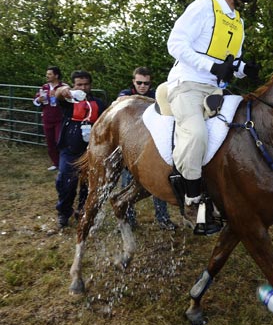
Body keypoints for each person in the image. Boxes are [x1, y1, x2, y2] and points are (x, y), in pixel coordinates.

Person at [165, 0, 261, 235]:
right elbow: (175, 44)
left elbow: (230, 64)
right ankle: (192, 198)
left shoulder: (238, 22)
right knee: (196, 134)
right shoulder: (204, 5)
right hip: (188, 85)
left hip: (215, 89)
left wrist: (244, 69)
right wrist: (212, 66)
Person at [118, 67, 176, 231]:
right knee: (127, 186)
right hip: (131, 148)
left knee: (159, 184)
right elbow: (120, 103)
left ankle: (163, 219)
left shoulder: (156, 97)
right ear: (133, 82)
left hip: (151, 147)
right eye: (139, 83)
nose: (143, 86)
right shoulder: (125, 95)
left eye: (147, 83)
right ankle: (128, 220)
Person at [53, 70, 107, 229]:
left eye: (86, 84)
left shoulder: (99, 103)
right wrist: (61, 91)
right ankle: (63, 212)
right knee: (67, 182)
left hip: (91, 150)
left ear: (90, 85)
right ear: (74, 85)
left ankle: (83, 211)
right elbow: (58, 95)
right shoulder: (68, 101)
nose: (83, 88)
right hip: (69, 149)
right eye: (79, 85)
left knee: (88, 185)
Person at [33, 66, 66, 171]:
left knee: (59, 141)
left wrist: (58, 97)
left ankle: (64, 163)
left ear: (56, 75)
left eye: (50, 74)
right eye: (47, 74)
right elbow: (35, 101)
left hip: (60, 118)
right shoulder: (44, 87)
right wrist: (39, 99)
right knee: (50, 142)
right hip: (47, 117)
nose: (47, 76)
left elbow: (70, 101)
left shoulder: (64, 87)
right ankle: (56, 163)